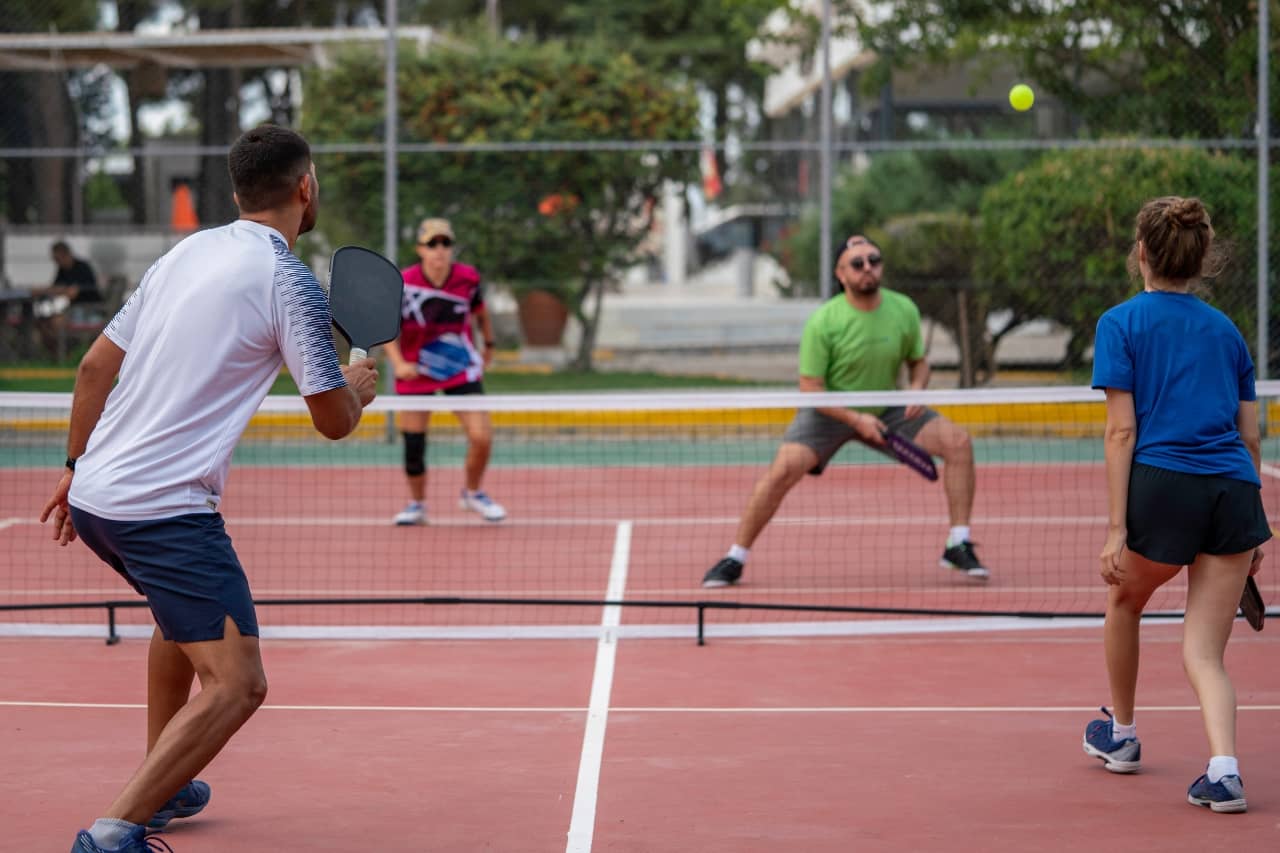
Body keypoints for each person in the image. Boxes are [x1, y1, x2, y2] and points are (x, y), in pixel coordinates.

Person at [40, 124, 379, 853]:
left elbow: (94, 368)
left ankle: (162, 784)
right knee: (238, 683)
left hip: (99, 494)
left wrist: (74, 469)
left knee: (178, 619)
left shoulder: (183, 253)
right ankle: (110, 833)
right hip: (163, 509)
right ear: (305, 188)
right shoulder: (288, 277)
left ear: (233, 193)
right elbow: (331, 421)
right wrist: (358, 389)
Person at [1082, 196, 1270, 812]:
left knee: (1125, 599)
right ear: (1200, 258)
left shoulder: (1120, 323)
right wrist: (1255, 529)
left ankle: (1124, 735)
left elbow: (1121, 432)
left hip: (1164, 485)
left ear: (1141, 253)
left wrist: (1116, 529)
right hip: (1233, 491)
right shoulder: (1227, 331)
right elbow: (1251, 436)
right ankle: (1224, 770)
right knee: (1204, 651)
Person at [702, 234, 989, 588]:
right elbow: (811, 389)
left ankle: (958, 544)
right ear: (841, 273)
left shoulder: (904, 309)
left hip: (889, 408)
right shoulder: (824, 321)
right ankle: (735, 557)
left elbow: (919, 362)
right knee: (782, 472)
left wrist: (916, 389)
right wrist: (855, 420)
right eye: (857, 263)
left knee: (958, 443)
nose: (868, 268)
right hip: (827, 410)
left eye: (874, 260)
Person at [385, 217, 506, 524]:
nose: (439, 250)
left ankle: (473, 493)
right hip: (416, 371)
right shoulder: (404, 282)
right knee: (414, 444)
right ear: (420, 250)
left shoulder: (468, 278)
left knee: (482, 436)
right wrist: (399, 363)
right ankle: (417, 504)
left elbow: (480, 312)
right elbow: (387, 330)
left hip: (457, 367)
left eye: (445, 243)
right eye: (432, 244)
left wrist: (489, 345)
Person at [32, 241, 105, 356]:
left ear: (66, 254)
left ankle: (64, 355)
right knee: (41, 322)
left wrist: (53, 290)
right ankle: (57, 355)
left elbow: (71, 293)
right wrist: (46, 290)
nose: (56, 262)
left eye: (57, 259)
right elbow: (56, 288)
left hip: (88, 310)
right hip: (71, 309)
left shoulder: (82, 268)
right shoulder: (62, 269)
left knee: (56, 322)